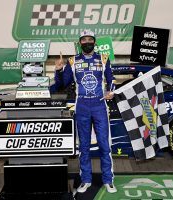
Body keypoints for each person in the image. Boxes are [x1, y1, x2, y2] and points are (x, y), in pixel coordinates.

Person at [54, 30, 117, 193]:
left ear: (94, 42)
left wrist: (111, 91)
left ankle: (108, 180)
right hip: (81, 106)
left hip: (100, 105)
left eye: (90, 39)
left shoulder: (103, 58)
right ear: (79, 43)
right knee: (84, 146)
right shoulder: (72, 61)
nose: (87, 42)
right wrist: (59, 70)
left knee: (104, 144)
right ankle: (86, 180)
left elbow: (111, 79)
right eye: (84, 40)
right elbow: (63, 84)